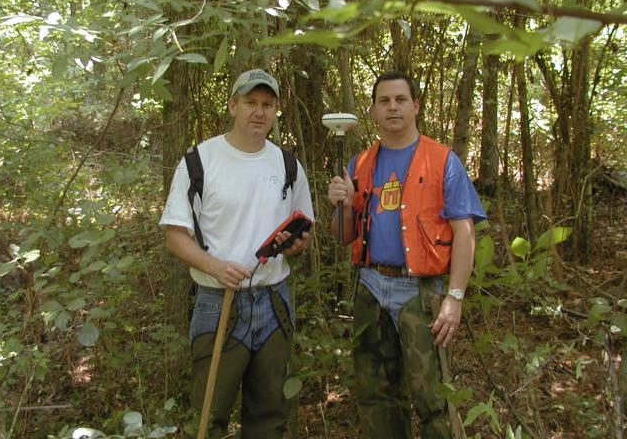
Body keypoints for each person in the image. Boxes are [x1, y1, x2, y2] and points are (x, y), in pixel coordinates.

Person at [327, 71, 486, 438]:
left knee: (433, 397)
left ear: (415, 106)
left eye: (400, 99)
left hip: (420, 291)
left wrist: (455, 298)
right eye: (384, 101)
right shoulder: (359, 163)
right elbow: (343, 236)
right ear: (373, 111)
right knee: (376, 394)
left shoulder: (442, 160)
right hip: (370, 286)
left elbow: (464, 231)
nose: (392, 107)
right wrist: (343, 204)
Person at [160, 69, 314, 439]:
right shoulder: (199, 162)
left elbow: (302, 233)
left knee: (269, 418)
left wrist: (296, 245)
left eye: (267, 104)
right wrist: (213, 266)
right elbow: (174, 236)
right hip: (218, 304)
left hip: (273, 303)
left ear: (276, 110)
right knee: (208, 418)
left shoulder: (288, 165)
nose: (259, 112)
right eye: (250, 103)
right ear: (232, 105)